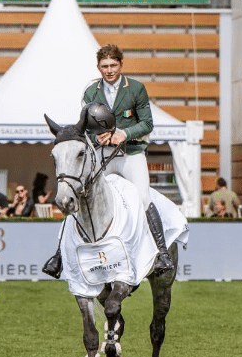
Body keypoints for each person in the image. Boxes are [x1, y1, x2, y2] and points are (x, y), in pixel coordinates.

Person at [43, 44, 174, 278]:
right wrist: (97, 137)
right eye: (105, 66)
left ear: (121, 65)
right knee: (78, 194)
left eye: (113, 65)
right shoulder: (90, 92)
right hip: (103, 153)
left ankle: (162, 253)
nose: (110, 70)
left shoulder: (136, 88)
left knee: (143, 197)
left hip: (131, 153)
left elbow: (147, 123)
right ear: (98, 67)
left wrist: (125, 133)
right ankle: (58, 255)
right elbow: (83, 128)